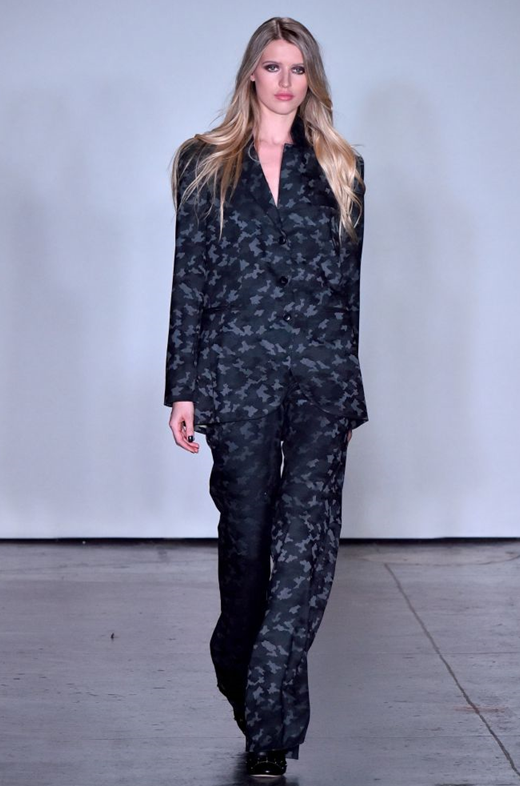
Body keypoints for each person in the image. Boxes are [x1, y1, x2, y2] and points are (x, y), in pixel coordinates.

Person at [164, 16, 368, 779]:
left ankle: (270, 722)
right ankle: (241, 667)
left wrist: (349, 390)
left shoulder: (342, 167)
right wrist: (183, 388)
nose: (286, 81)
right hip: (237, 373)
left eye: (298, 68)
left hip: (319, 378)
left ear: (311, 80)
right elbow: (190, 279)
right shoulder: (205, 162)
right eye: (273, 66)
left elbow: (348, 292)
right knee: (248, 548)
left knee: (303, 549)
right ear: (252, 73)